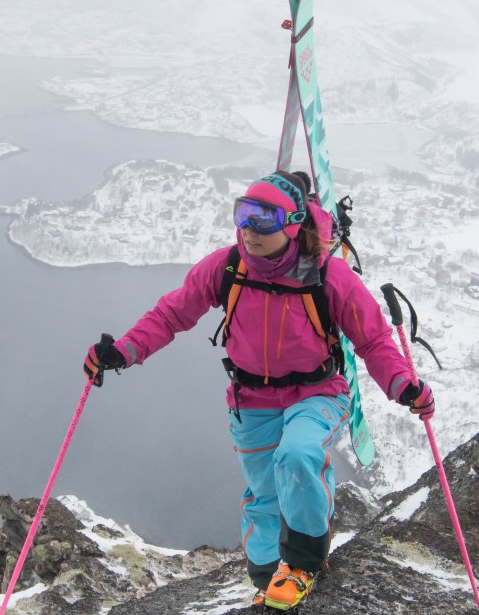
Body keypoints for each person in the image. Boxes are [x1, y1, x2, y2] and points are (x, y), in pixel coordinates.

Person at [82, 170, 435, 611]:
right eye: (242, 214)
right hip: (251, 402)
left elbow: (373, 339)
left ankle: (304, 562)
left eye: (262, 219)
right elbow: (173, 313)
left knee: (300, 455)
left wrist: (403, 384)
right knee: (264, 496)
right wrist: (124, 351)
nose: (248, 229)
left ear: (292, 224)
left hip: (317, 393)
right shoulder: (227, 267)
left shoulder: (329, 277)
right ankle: (268, 578)